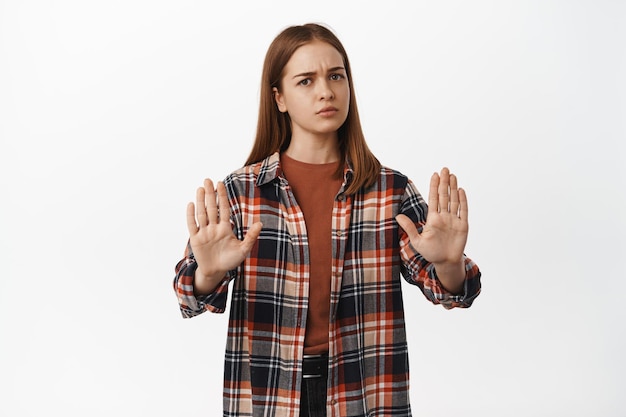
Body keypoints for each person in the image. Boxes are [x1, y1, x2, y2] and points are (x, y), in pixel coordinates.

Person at [173, 23, 481, 417]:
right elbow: (187, 297)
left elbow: (455, 292)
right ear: (279, 97)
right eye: (306, 80)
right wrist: (209, 274)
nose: (326, 91)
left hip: (364, 392)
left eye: (336, 76)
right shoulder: (241, 192)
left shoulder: (390, 190)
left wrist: (449, 263)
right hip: (270, 394)